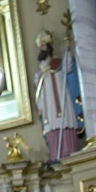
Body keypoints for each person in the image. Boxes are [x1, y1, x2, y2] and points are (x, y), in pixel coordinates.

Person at [34, 29, 81, 163]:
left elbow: (68, 67)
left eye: (42, 46)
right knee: (51, 128)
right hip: (48, 110)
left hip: (62, 104)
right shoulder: (38, 73)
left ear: (48, 47)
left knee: (65, 124)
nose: (40, 50)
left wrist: (67, 49)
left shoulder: (58, 64)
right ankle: (55, 155)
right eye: (39, 47)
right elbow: (38, 92)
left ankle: (68, 153)